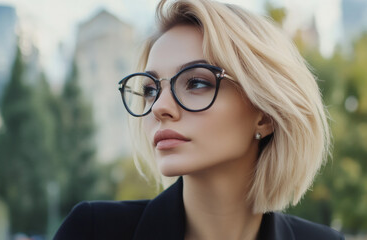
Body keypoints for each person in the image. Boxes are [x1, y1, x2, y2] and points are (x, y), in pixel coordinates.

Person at [54, 0, 345, 239]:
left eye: (196, 83)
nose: (159, 107)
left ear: (265, 116)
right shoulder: (92, 230)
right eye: (151, 90)